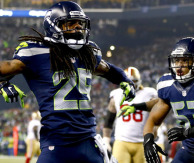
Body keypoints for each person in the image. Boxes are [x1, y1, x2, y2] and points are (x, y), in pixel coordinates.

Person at [0, 1, 135, 163]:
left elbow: (108, 69)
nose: (78, 27)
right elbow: (6, 67)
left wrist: (124, 79)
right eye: (70, 23)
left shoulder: (88, 53)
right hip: (57, 142)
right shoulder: (36, 52)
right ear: (53, 26)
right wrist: (3, 84)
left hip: (88, 140)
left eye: (80, 23)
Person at [142, 37, 194, 163]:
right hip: (189, 148)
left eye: (185, 60)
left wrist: (189, 132)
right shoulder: (167, 85)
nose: (179, 66)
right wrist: (148, 140)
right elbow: (153, 120)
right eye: (177, 60)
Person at [103, 66, 158, 163]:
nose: (132, 84)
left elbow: (159, 108)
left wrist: (155, 130)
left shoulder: (149, 93)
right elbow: (109, 120)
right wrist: (106, 139)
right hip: (122, 141)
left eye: (134, 81)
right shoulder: (116, 94)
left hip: (142, 142)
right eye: (129, 81)